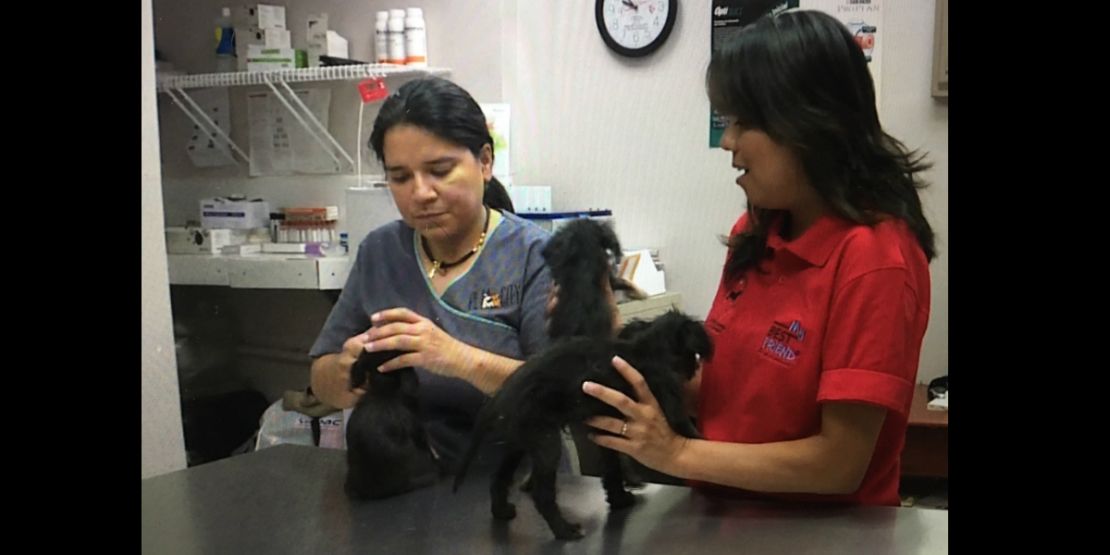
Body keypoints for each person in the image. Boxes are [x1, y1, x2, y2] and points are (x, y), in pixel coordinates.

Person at [580, 9, 936, 506]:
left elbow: (839, 463)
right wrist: (627, 357)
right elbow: (737, 397)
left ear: (811, 123)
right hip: (727, 517)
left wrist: (676, 453)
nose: (728, 143)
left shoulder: (876, 259)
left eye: (743, 123)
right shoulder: (756, 230)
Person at [308, 76, 551, 468]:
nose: (420, 193)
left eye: (440, 170)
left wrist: (454, 357)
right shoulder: (380, 252)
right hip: (406, 482)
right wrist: (346, 373)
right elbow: (321, 375)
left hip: (514, 488)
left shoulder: (536, 255)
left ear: (485, 162)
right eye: (400, 177)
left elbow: (557, 395)